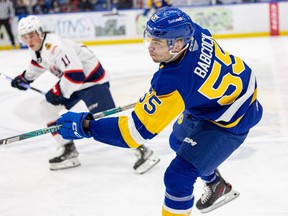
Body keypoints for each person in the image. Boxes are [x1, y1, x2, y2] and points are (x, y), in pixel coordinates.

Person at [55, 7, 263, 216]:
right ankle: (216, 184)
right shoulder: (194, 32)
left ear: (179, 43)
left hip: (233, 116)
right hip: (216, 99)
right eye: (150, 39)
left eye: (158, 42)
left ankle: (212, 183)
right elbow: (192, 73)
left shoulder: (174, 82)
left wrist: (86, 126)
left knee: (178, 177)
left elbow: (133, 134)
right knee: (177, 141)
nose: (150, 48)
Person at [11, 15, 160, 174]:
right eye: (25, 37)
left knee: (105, 120)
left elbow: (76, 75)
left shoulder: (55, 46)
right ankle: (68, 150)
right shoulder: (38, 48)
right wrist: (24, 78)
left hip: (92, 82)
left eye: (32, 35)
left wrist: (57, 92)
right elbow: (39, 64)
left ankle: (143, 150)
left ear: (40, 32)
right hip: (75, 83)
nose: (29, 41)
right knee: (46, 107)